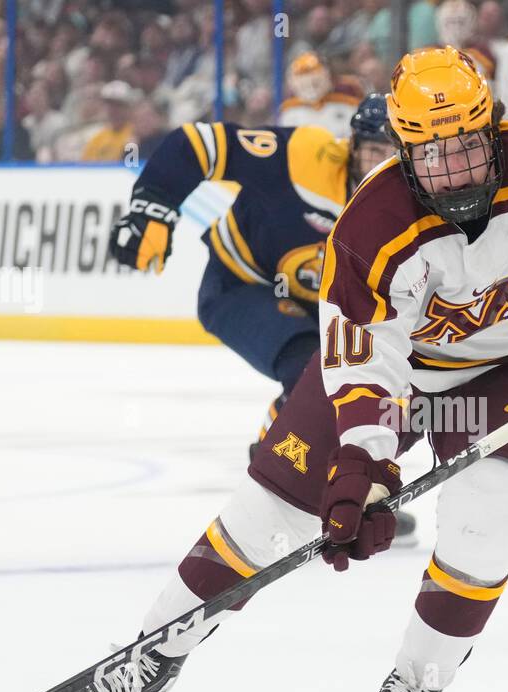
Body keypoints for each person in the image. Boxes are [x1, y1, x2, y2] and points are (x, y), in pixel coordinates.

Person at [53, 47, 508, 692]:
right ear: (404, 152)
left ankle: (417, 675)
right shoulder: (371, 223)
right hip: (408, 376)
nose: (452, 171)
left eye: (466, 148)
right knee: (268, 511)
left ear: (492, 129)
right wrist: (363, 462)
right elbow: (365, 357)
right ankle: (154, 652)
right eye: (430, 156)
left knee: (483, 522)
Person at [106, 93, 397, 445]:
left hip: (322, 307)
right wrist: (152, 206)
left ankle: (337, 475)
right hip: (239, 286)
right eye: (374, 151)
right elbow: (198, 145)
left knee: (366, 384)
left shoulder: (408, 206)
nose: (383, 166)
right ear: (352, 146)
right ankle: (272, 467)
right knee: (315, 370)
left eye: (394, 155)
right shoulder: (304, 156)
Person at [276, 51, 363, 137]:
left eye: (315, 83)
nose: (310, 89)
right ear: (292, 84)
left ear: (328, 77)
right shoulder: (290, 112)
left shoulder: (346, 104)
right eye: (304, 85)